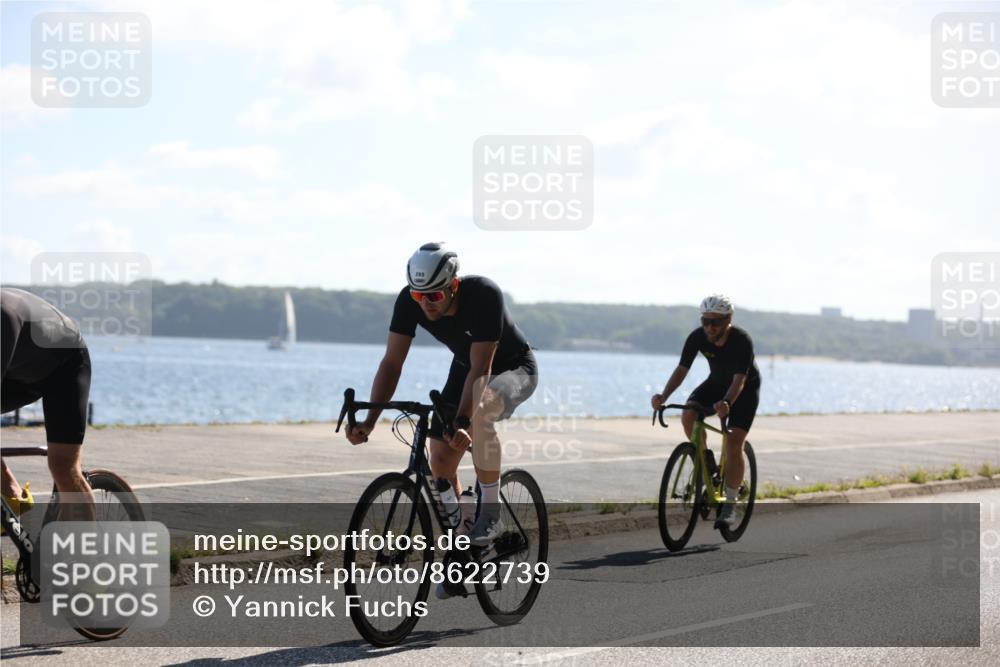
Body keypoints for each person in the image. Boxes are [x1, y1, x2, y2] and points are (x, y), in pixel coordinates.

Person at [345, 242, 537, 552]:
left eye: (434, 295)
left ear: (453, 286)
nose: (425, 304)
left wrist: (462, 420)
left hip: (512, 368)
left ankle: (490, 514)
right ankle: (466, 539)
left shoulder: (484, 295)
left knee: (480, 412)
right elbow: (392, 362)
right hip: (466, 366)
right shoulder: (410, 301)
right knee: (441, 459)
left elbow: (482, 368)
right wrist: (369, 420)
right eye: (419, 296)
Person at [650, 294, 760, 529]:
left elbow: (739, 381)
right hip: (717, 382)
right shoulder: (698, 337)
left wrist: (727, 403)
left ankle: (730, 503)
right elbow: (682, 369)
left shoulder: (742, 340)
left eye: (715, 322)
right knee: (689, 414)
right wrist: (663, 397)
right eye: (705, 321)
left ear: (728, 319)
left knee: (733, 443)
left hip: (744, 390)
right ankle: (707, 463)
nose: (709, 327)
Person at [1, 287, 96, 520]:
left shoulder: (4, 317)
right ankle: (11, 494)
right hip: (18, 374)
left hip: (64, 366)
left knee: (63, 466)